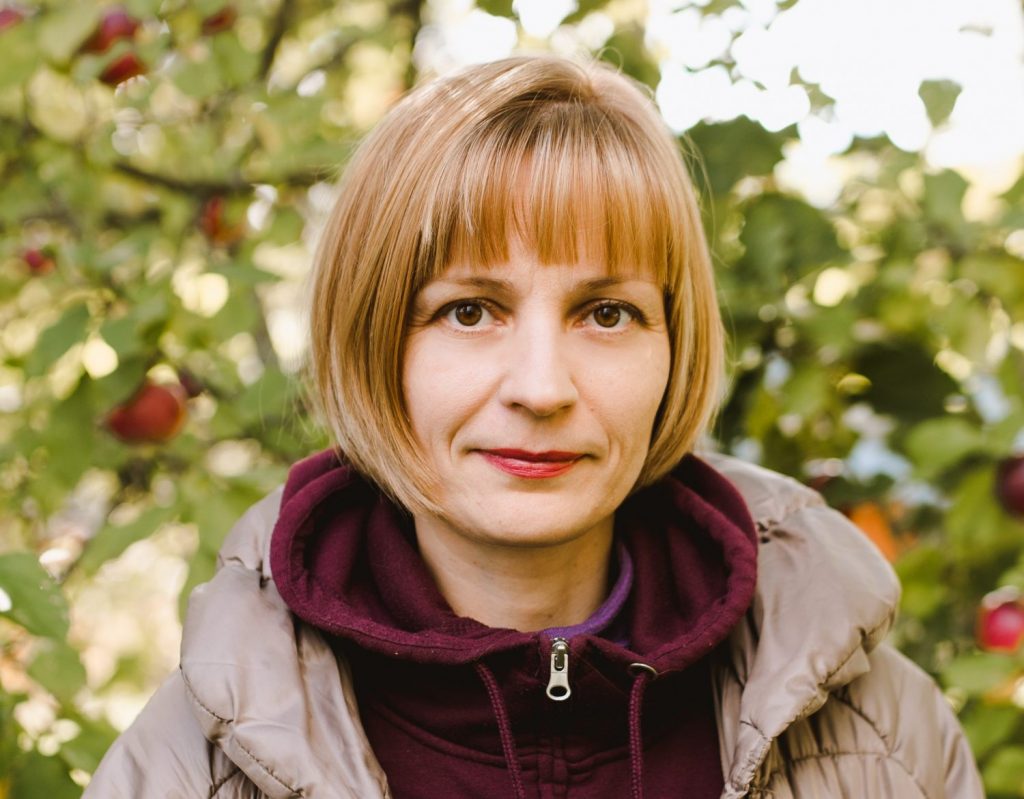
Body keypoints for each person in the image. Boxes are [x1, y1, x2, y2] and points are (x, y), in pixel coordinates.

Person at [85, 55, 983, 798]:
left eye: (607, 313)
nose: (542, 388)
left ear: (675, 345)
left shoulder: (886, 738)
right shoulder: (186, 769)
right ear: (373, 340)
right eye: (470, 311)